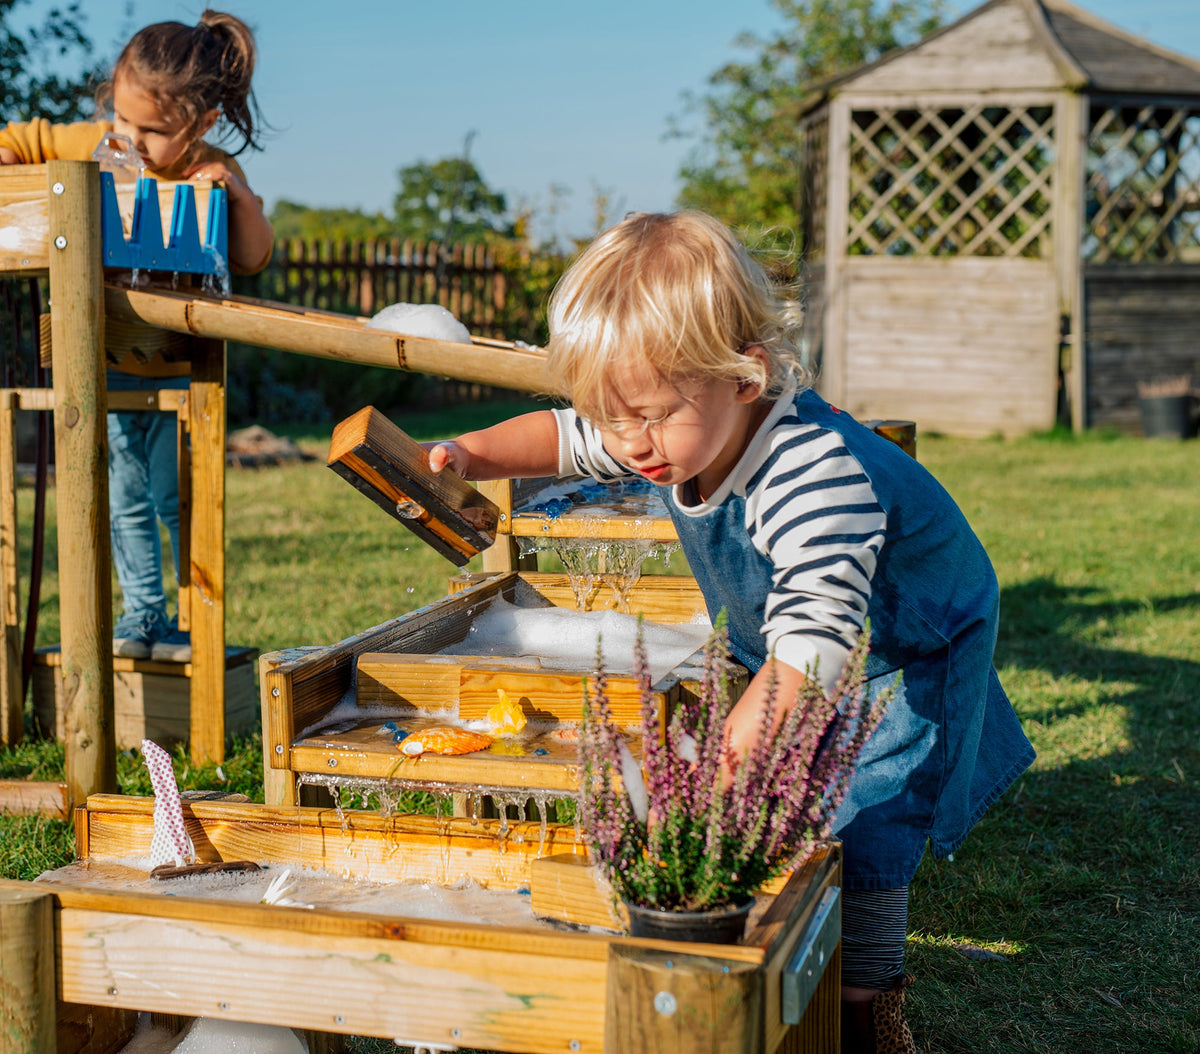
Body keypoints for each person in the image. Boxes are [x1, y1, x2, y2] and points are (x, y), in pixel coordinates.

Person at [427, 211, 1036, 1053]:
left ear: (746, 377)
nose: (627, 443)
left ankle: (868, 1008)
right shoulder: (663, 425)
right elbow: (563, 438)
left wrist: (729, 758)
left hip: (902, 651)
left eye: (647, 417)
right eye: (609, 416)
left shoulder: (812, 470)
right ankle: (791, 926)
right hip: (794, 638)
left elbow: (816, 646)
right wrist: (470, 452)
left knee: (868, 819)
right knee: (775, 786)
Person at [0, 10, 274, 662]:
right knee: (123, 499)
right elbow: (17, 137)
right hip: (108, 357)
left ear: (201, 124)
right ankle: (142, 615)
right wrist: (12, 167)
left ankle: (191, 621)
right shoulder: (95, 142)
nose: (131, 138)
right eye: (123, 119)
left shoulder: (211, 168)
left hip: (185, 371)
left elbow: (253, 255)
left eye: (153, 129)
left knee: (179, 501)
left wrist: (235, 195)